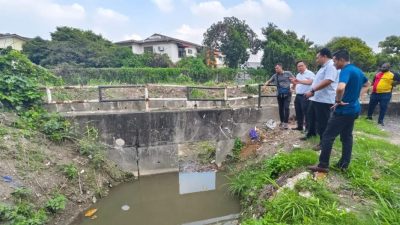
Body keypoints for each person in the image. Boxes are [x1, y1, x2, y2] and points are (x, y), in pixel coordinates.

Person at [308, 50, 370, 173]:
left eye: (335, 60)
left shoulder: (346, 71)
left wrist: (338, 100)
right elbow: (367, 84)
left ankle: (323, 165)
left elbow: (340, 87)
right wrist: (356, 97)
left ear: (341, 60)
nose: (334, 63)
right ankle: (344, 164)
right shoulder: (357, 70)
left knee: (327, 136)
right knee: (347, 137)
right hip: (354, 109)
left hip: (344, 111)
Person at [303, 48, 338, 149]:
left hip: (324, 100)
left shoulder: (331, 66)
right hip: (316, 99)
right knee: (311, 117)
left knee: (323, 122)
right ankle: (311, 134)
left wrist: (312, 91)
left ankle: (324, 143)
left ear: (324, 56)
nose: (316, 60)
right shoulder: (323, 67)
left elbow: (328, 81)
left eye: (318, 58)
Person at [264, 63, 295, 129]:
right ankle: (282, 122)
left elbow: (294, 80)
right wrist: (265, 85)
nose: (276, 69)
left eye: (277, 68)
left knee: (286, 108)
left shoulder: (288, 73)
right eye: (275, 68)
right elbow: (269, 81)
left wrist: (293, 88)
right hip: (279, 94)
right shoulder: (275, 76)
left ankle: (286, 123)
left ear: (281, 67)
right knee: (281, 109)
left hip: (287, 94)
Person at [290, 61, 315, 131]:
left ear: (305, 66)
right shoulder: (298, 75)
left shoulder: (310, 73)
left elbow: (311, 82)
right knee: (298, 111)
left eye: (301, 66)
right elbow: (297, 83)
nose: (300, 67)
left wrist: (299, 81)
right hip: (298, 95)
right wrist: (293, 86)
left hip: (306, 95)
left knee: (306, 112)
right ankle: (300, 126)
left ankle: (307, 128)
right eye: (298, 66)